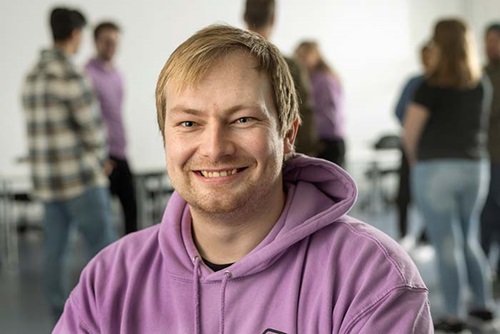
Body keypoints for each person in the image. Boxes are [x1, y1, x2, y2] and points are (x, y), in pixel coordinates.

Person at [54, 24, 432, 333]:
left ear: (287, 135)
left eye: (243, 119)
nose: (214, 148)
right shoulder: (109, 281)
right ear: (166, 138)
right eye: (189, 123)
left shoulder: (371, 279)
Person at [21, 7, 115, 322]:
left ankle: (61, 321)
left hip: (48, 185)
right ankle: (112, 316)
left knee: (54, 254)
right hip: (81, 181)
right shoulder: (70, 74)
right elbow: (93, 129)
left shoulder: (32, 77)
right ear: (75, 35)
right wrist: (101, 159)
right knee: (106, 252)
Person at [403, 18, 495, 333]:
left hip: (436, 169)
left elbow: (410, 134)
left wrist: (417, 163)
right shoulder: (481, 83)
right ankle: (483, 306)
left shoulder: (429, 86)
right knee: (468, 238)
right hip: (474, 169)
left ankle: (454, 314)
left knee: (446, 243)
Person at [244, 0, 321, 157]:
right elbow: (304, 114)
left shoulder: (227, 65)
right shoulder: (291, 66)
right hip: (285, 157)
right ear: (273, 19)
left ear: (244, 16)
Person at [85, 21, 138, 235]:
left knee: (132, 212)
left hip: (120, 152)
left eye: (114, 42)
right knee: (102, 221)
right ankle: (107, 267)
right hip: (101, 157)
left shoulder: (117, 75)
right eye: (106, 41)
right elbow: (86, 120)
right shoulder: (86, 75)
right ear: (96, 42)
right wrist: (97, 157)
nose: (111, 46)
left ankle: (133, 265)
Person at [393, 41, 432, 250]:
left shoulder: (441, 85)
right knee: (404, 193)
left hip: (432, 150)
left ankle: (426, 238)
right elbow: (399, 110)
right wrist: (412, 127)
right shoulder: (414, 82)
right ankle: (403, 233)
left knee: (429, 195)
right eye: (423, 55)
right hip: (410, 143)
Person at [294, 40, 346, 167]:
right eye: (299, 55)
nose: (301, 59)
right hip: (320, 140)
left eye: (305, 55)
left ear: (316, 55)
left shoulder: (324, 80)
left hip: (327, 142)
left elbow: (329, 118)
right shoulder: (308, 79)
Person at [481, 22, 500, 279]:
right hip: (483, 157)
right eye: (487, 40)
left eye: (495, 40)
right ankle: (484, 270)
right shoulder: (481, 73)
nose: (489, 46)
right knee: (485, 217)